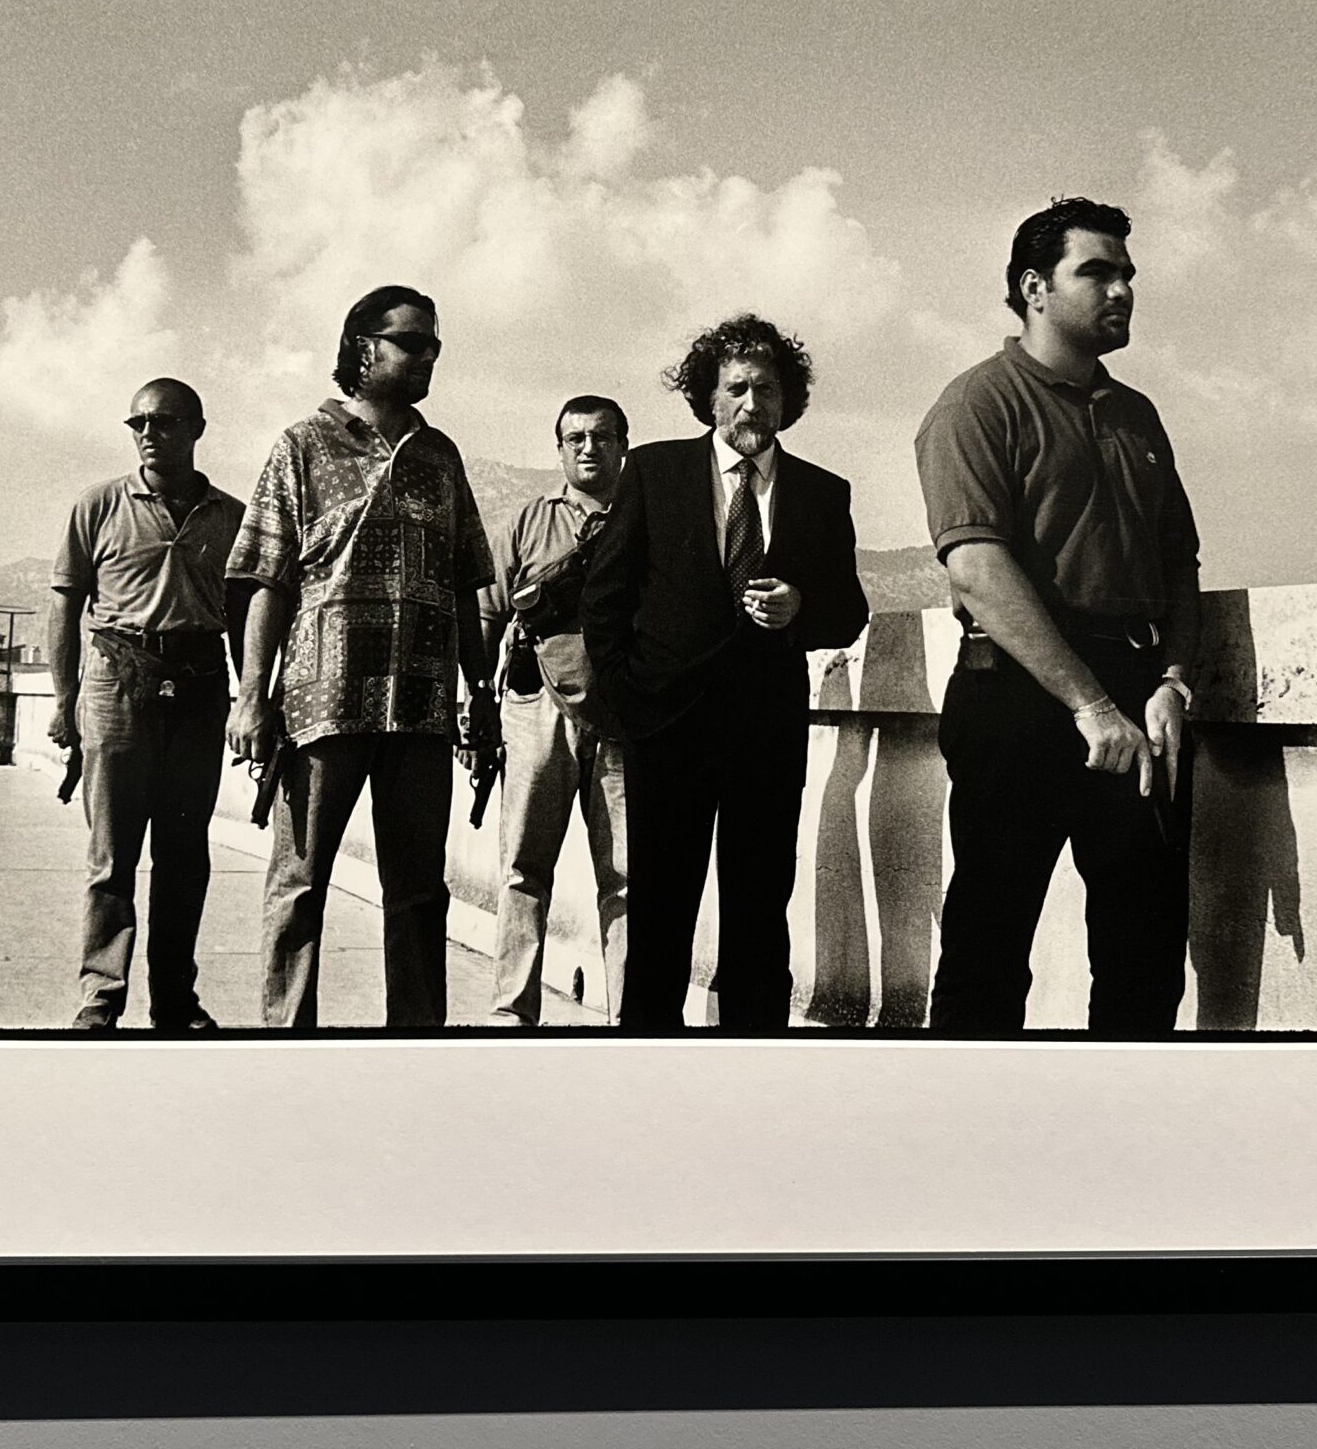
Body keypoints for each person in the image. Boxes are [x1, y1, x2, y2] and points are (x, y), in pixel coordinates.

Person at [917, 197, 1202, 1036]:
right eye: (1098, 272)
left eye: (1128, 275)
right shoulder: (976, 404)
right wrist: (1089, 705)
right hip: (1019, 695)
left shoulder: (1137, 414)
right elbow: (976, 565)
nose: (1122, 290)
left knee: (1145, 948)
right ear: (1035, 288)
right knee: (989, 944)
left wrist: (1174, 680)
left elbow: (1178, 561)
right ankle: (964, 1141)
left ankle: (1114, 1139)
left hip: (1136, 695)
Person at [583, 314, 869, 1032]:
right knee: (660, 910)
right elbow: (605, 598)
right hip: (665, 729)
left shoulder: (821, 492)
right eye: (736, 388)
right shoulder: (654, 470)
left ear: (788, 401)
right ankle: (647, 1057)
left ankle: (754, 1064)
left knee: (758, 911)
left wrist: (801, 606)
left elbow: (848, 613)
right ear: (708, 399)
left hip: (765, 738)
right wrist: (626, 703)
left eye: (766, 390)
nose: (751, 403)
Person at [228, 286, 498, 1029]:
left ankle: (414, 1043)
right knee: (299, 883)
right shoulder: (302, 446)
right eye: (412, 342)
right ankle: (286, 1038)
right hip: (322, 704)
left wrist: (482, 695)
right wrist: (253, 694)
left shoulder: (440, 457)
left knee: (418, 891)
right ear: (361, 348)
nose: (428, 356)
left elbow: (470, 582)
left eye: (434, 344)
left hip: (420, 707)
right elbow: (265, 580)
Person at [48, 377, 246, 1033]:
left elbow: (247, 617)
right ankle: (101, 997)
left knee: (186, 854)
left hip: (198, 688)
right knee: (111, 855)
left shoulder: (231, 517)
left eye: (163, 422)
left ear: (196, 428)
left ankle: (174, 1001)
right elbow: (65, 602)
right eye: (137, 423)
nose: (148, 434)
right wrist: (63, 697)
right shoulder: (100, 505)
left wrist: (253, 702)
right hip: (116, 682)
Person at [478, 395, 633, 1025]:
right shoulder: (530, 521)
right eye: (574, 438)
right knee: (522, 866)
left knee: (626, 876)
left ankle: (632, 1012)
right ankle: (512, 1008)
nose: (588, 449)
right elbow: (490, 612)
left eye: (601, 437)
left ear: (623, 444)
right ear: (559, 448)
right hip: (535, 705)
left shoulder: (646, 520)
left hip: (623, 713)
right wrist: (480, 702)